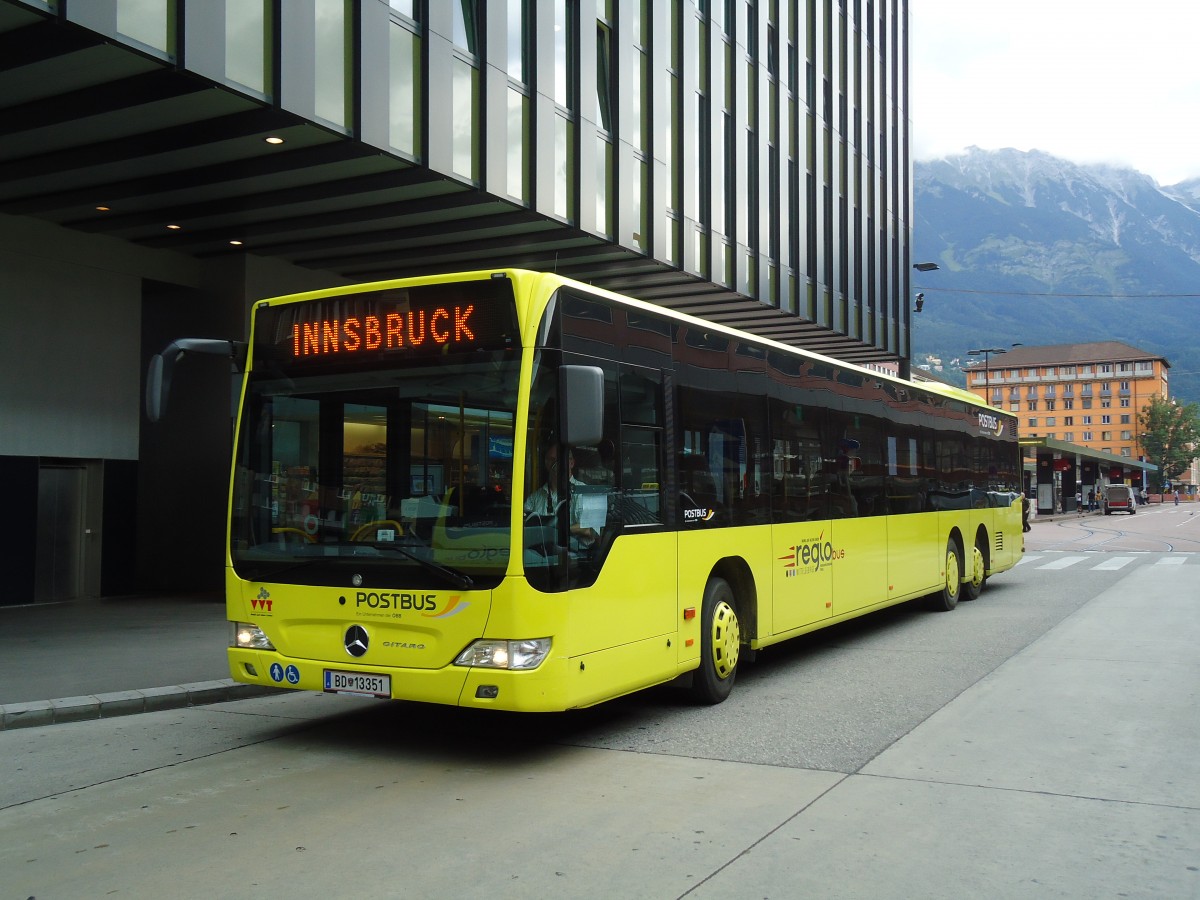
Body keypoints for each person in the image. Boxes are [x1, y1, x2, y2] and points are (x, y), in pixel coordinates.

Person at [524, 445, 597, 547]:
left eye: (561, 459)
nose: (556, 464)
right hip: (539, 556)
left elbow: (589, 529)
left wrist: (556, 529)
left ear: (572, 463)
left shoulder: (584, 492)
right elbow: (524, 524)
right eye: (552, 459)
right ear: (546, 463)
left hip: (575, 557)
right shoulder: (535, 498)